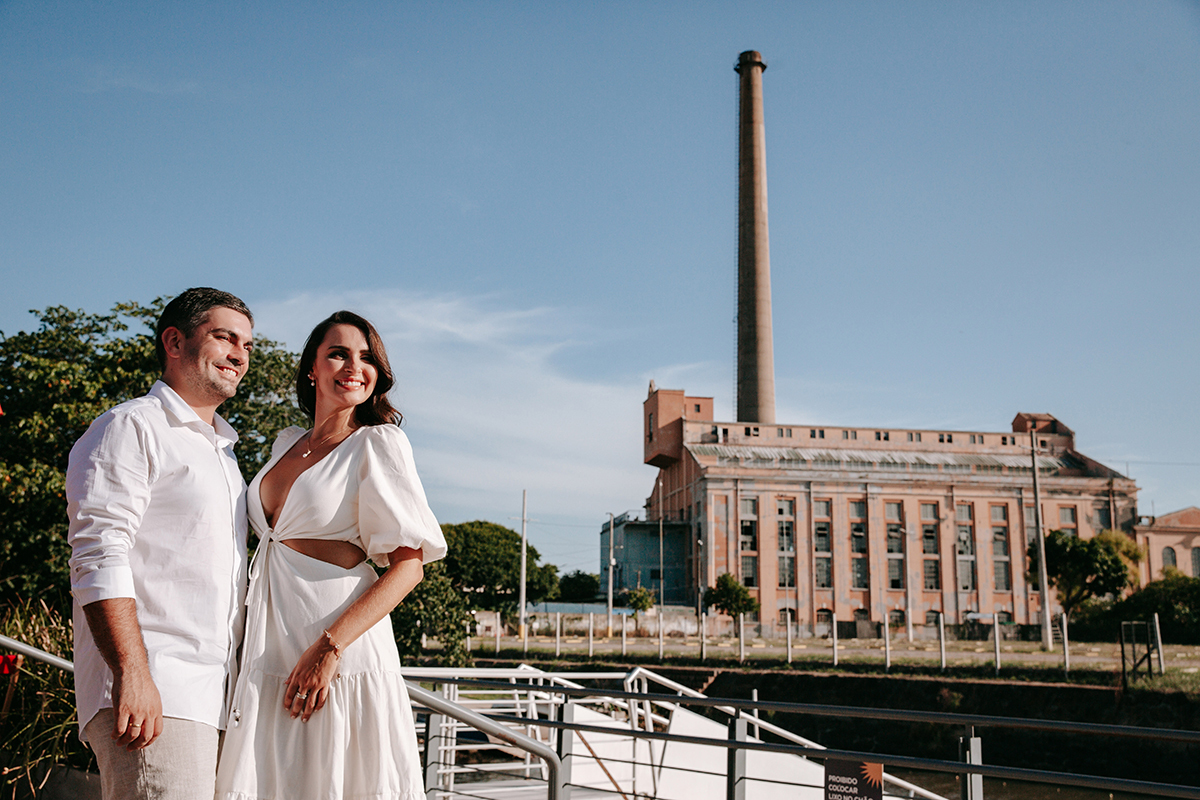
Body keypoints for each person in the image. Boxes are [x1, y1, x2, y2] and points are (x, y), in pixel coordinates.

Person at [215, 311, 446, 800]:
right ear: (311, 369)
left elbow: (409, 567)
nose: (354, 367)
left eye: (367, 358)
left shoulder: (378, 443)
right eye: (338, 354)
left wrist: (329, 648)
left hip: (340, 646)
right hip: (270, 644)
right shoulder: (285, 444)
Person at [67, 288, 255, 800]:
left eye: (247, 345)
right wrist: (133, 672)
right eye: (225, 338)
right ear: (174, 342)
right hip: (158, 691)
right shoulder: (131, 426)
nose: (239, 355)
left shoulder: (224, 453)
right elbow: (98, 552)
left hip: (215, 699)